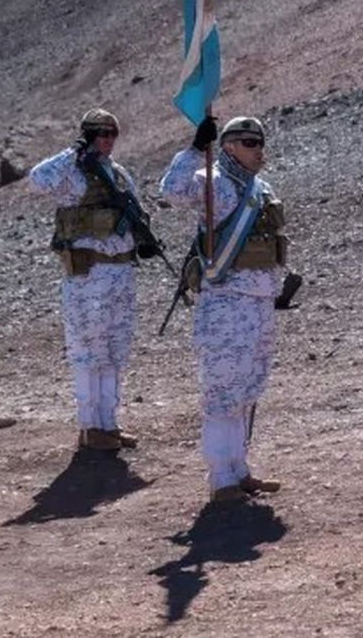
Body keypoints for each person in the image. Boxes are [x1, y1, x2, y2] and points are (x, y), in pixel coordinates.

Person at [159, 116, 287, 503]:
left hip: (260, 302)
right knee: (222, 390)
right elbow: (172, 190)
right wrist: (196, 149)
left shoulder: (259, 188)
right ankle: (220, 478)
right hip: (227, 304)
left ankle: (239, 468)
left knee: (248, 388)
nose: (258, 148)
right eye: (248, 141)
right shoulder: (214, 181)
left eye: (260, 141)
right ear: (228, 146)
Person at [29, 108, 144, 451]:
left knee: (114, 349)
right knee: (88, 351)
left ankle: (108, 424)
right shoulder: (72, 174)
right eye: (98, 133)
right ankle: (89, 426)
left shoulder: (119, 174)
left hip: (120, 272)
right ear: (86, 135)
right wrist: (74, 152)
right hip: (88, 275)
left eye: (111, 133)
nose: (106, 139)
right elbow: (37, 179)